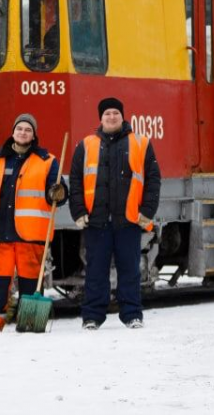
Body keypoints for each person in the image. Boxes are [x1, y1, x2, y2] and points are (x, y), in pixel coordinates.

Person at [68, 97, 161, 330]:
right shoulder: (86, 145)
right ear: (100, 118)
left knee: (129, 270)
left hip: (128, 220)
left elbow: (153, 180)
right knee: (95, 272)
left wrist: (147, 212)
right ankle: (92, 316)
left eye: (115, 114)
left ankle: (132, 315)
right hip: (96, 221)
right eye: (107, 113)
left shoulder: (140, 142)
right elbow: (76, 181)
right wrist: (78, 211)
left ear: (122, 117)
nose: (111, 117)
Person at [0, 113, 67, 331]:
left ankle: (30, 322)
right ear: (13, 132)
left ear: (33, 135)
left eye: (28, 130)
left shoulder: (47, 161)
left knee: (30, 281)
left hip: (31, 234)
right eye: (20, 129)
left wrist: (59, 192)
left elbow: (59, 194)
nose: (23, 133)